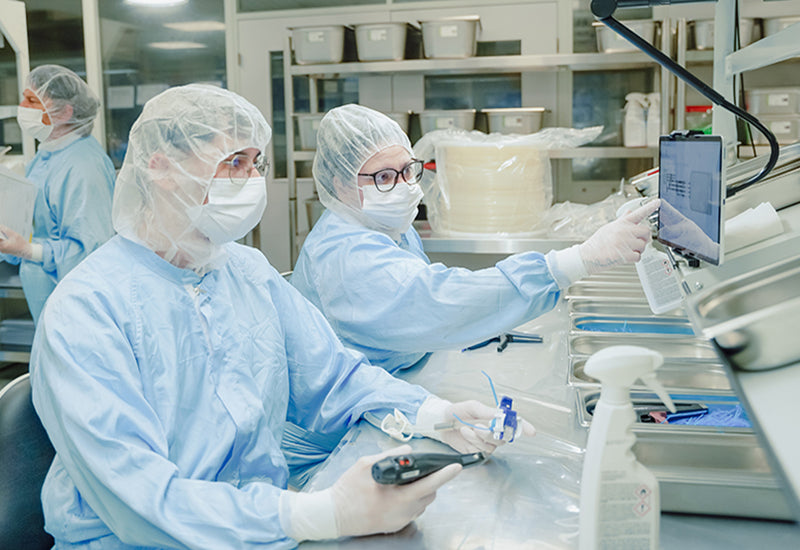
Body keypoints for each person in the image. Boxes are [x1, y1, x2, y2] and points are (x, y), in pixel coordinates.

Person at [29, 84, 533, 549]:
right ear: (160, 168)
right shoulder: (87, 310)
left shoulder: (244, 271)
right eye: (233, 163)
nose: (251, 181)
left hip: (259, 522)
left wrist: (436, 415)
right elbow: (137, 494)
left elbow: (334, 377)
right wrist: (318, 515)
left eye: (256, 163)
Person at [292, 104, 660, 374]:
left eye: (408, 171)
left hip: (398, 375)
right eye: (384, 178)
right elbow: (435, 299)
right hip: (340, 434)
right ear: (339, 183)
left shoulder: (381, 225)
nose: (404, 188)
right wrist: (576, 260)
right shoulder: (346, 255)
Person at [0, 65, 115, 324]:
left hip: (78, 301)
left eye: (32, 100)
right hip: (47, 296)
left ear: (65, 112)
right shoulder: (47, 155)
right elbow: (36, 222)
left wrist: (29, 250)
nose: (22, 106)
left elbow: (92, 251)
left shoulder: (83, 167)